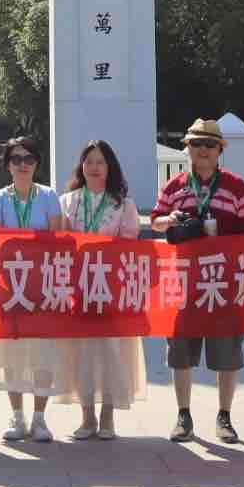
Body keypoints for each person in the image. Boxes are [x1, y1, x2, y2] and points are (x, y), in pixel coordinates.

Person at [149, 119, 244, 444]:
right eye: (196, 144)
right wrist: (169, 220)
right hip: (183, 283)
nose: (203, 150)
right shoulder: (174, 186)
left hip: (223, 284)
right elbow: (155, 221)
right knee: (180, 351)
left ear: (220, 150)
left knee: (228, 352)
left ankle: (224, 416)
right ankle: (183, 415)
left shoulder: (236, 186)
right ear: (187, 148)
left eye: (210, 145)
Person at [58, 140, 145, 440]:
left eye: (100, 162)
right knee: (80, 352)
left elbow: (130, 246)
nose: (94, 167)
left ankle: (108, 415)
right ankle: (87, 416)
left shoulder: (123, 205)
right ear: (81, 166)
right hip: (77, 288)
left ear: (110, 168)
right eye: (89, 161)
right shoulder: (67, 201)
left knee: (111, 352)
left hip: (111, 289)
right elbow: (59, 243)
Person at [0, 137, 65, 442]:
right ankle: (17, 416)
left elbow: (57, 239)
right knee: (12, 353)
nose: (23, 165)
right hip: (10, 285)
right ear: (8, 165)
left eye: (28, 159)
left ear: (36, 163)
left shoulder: (49, 196)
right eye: (16, 159)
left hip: (42, 284)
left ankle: (40, 418)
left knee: (43, 352)